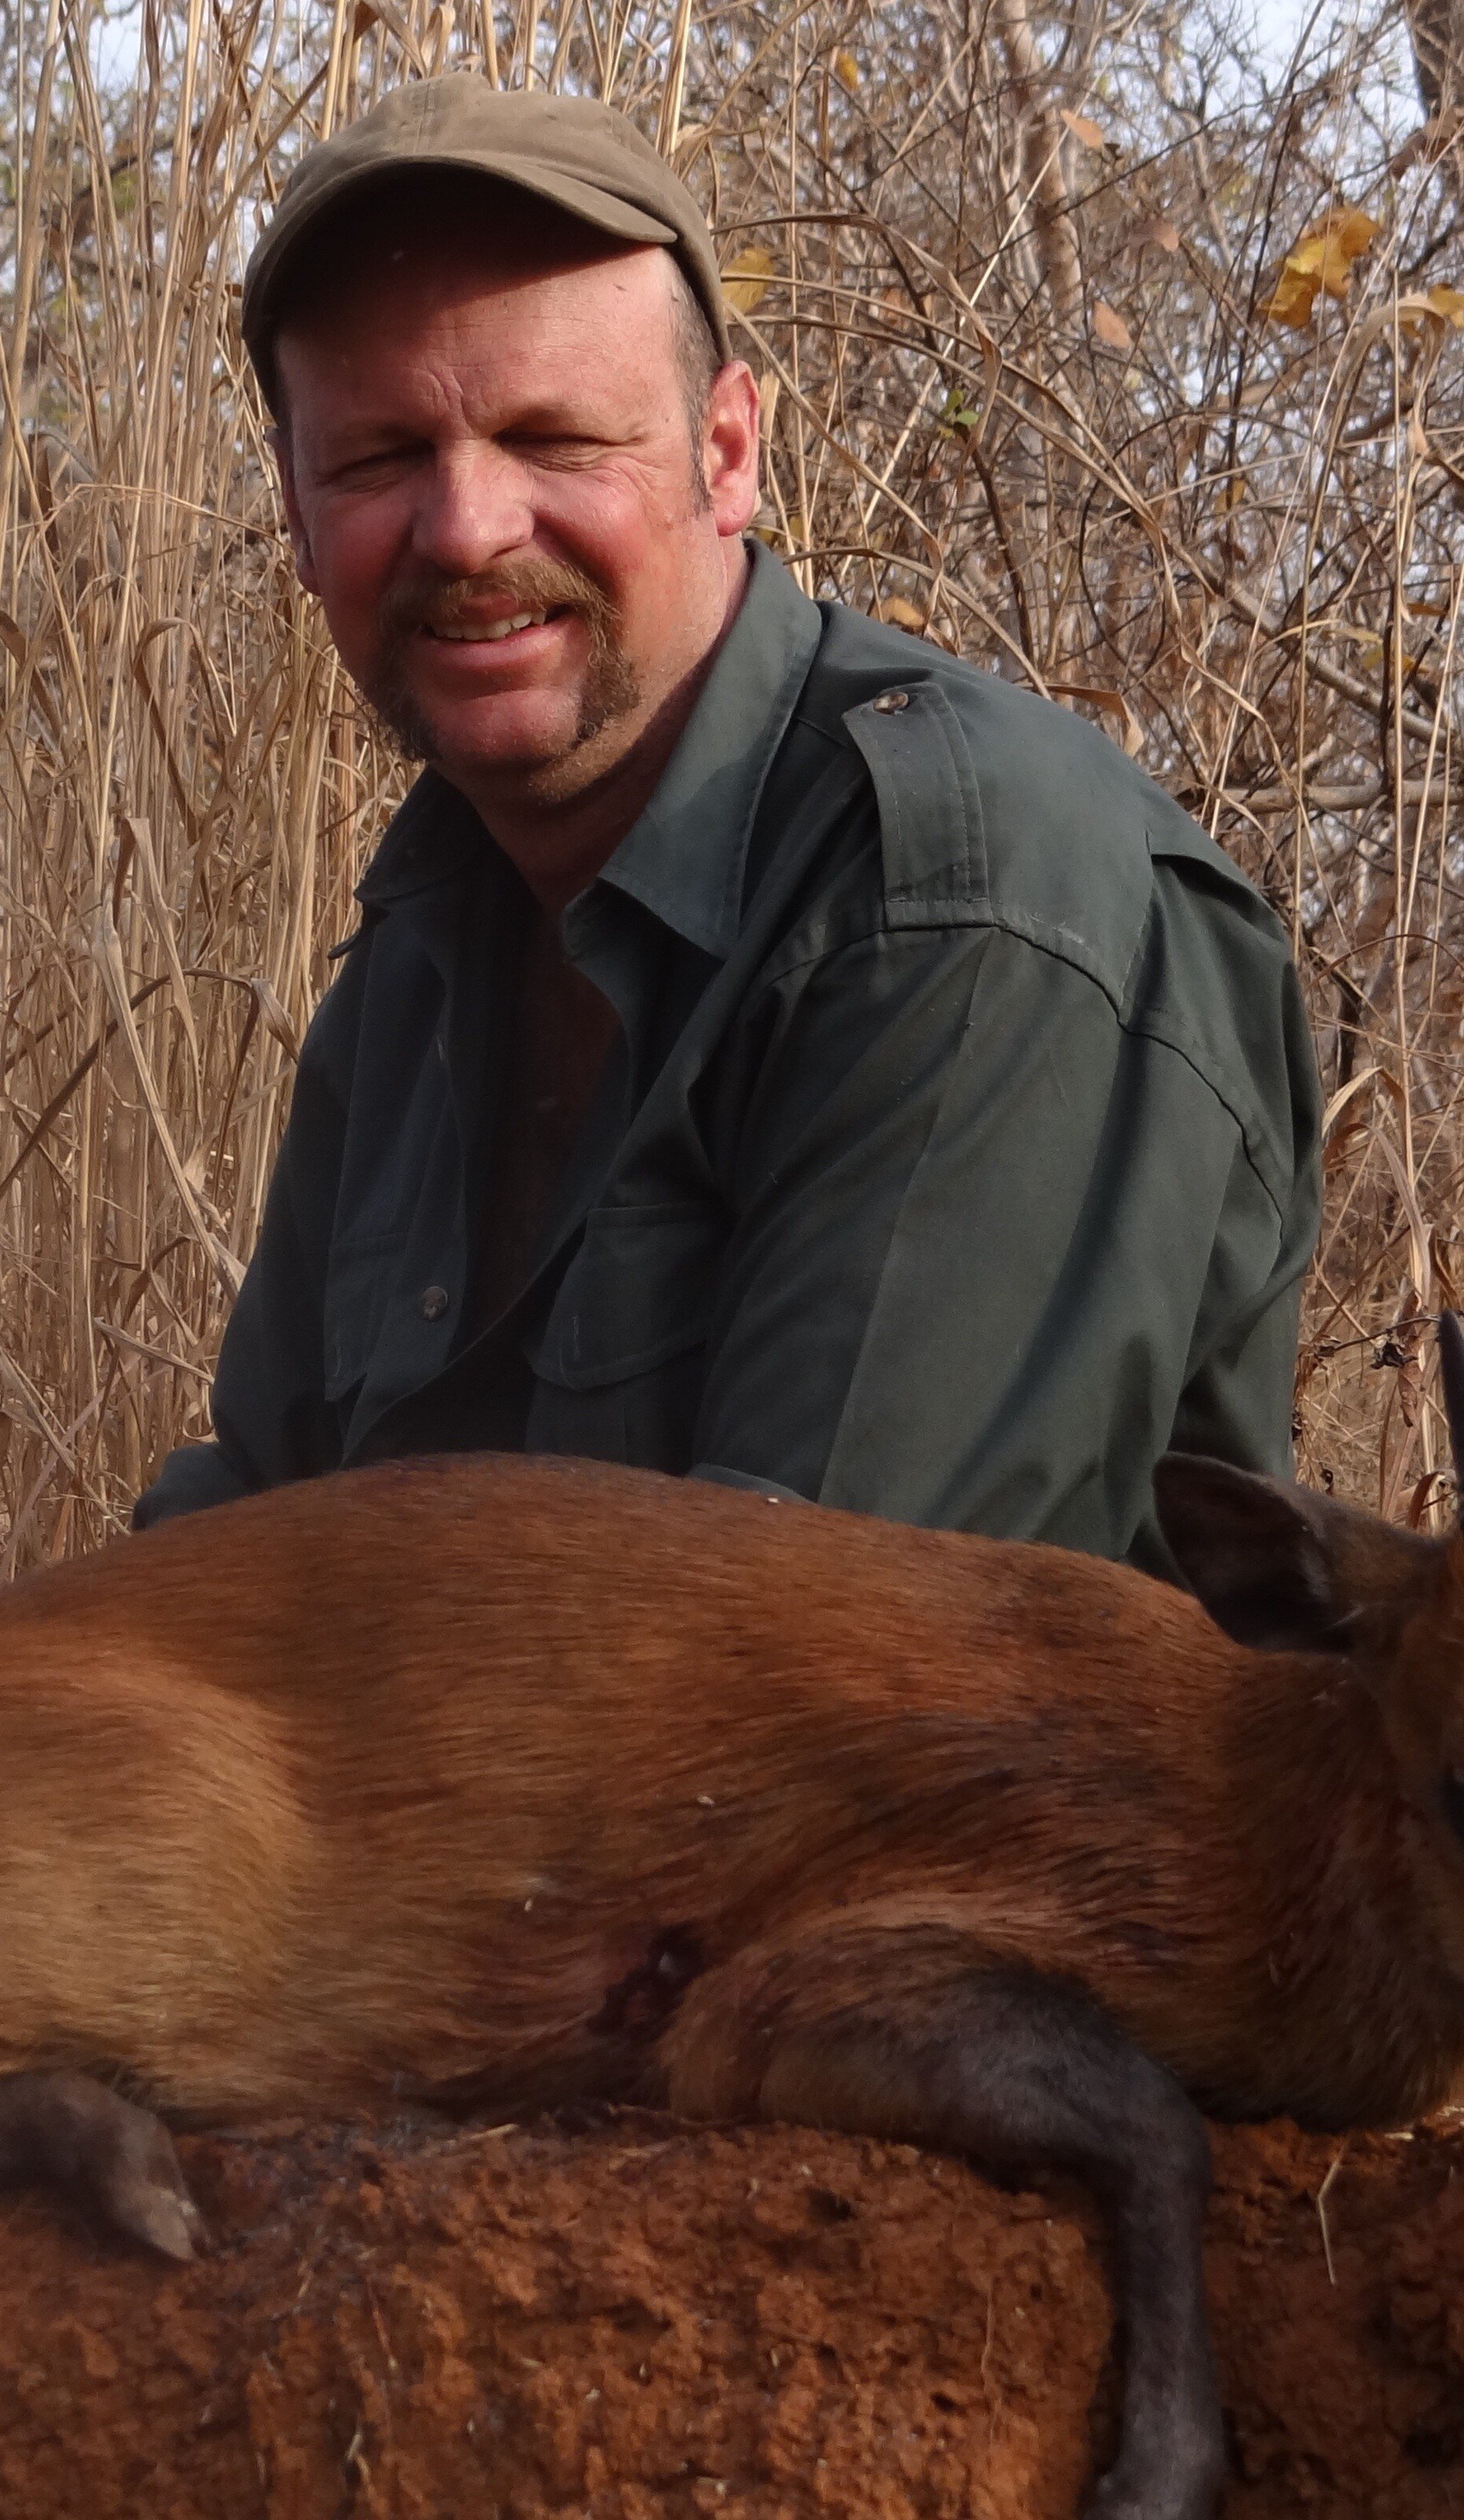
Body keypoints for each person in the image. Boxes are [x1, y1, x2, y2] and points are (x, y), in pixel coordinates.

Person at [135, 77, 1320, 1571]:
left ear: (728, 454)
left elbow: (796, 1702)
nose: (466, 530)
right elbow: (241, 1529)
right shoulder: (431, 932)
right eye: (376, 461)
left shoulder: (967, 895)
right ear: (300, 521)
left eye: (553, 438)